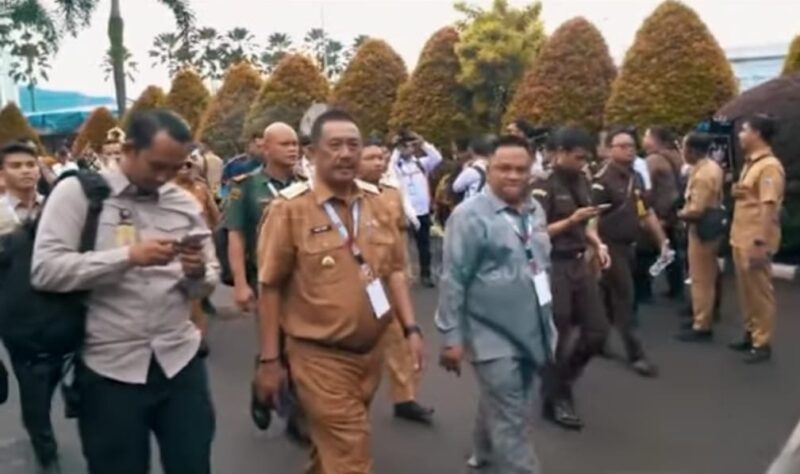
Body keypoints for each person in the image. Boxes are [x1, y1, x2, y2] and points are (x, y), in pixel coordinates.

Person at [30, 109, 219, 474]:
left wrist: (196, 273)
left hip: (180, 363)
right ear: (129, 149)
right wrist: (127, 257)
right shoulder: (79, 195)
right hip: (109, 371)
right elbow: (45, 271)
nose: (165, 177)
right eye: (157, 165)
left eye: (175, 167)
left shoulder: (182, 204)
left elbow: (208, 278)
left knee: (193, 464)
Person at [254, 110, 424, 474]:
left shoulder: (378, 202)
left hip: (370, 354)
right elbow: (269, 287)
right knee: (352, 456)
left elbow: (393, 269)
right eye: (335, 146)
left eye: (353, 145)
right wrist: (270, 361)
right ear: (312, 153)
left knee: (329, 452)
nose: (346, 154)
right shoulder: (289, 210)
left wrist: (411, 328)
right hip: (319, 358)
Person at [437, 135, 556, 473]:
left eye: (521, 169)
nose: (514, 176)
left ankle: (482, 448)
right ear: (488, 169)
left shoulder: (536, 210)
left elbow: (540, 264)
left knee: (509, 398)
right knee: (512, 416)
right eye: (504, 168)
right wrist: (452, 338)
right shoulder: (468, 216)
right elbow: (453, 279)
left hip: (532, 325)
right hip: (488, 331)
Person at [223, 121, 310, 443]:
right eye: (285, 143)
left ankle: (294, 412)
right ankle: (269, 395)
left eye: (295, 144)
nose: (293, 148)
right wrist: (241, 283)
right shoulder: (245, 186)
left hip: (304, 282)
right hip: (268, 282)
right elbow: (236, 236)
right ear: (266, 147)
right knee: (279, 347)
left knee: (302, 349)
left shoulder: (305, 184)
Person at [532, 127, 611, 430]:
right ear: (560, 152)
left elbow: (588, 222)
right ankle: (557, 398)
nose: (582, 163)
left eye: (585, 158)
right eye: (577, 157)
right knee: (558, 333)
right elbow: (536, 233)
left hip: (580, 263)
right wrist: (571, 221)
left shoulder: (582, 181)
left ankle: (560, 382)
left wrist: (597, 243)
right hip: (553, 266)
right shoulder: (542, 187)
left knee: (597, 332)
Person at [359, 141, 434, 425]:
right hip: (360, 281)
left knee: (399, 337)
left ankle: (405, 398)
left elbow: (400, 234)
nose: (378, 162)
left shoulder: (391, 194)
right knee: (363, 345)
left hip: (389, 278)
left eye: (381, 157)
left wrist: (406, 267)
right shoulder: (349, 196)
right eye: (370, 157)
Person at [0, 142, 59, 474]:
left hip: (63, 312)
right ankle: (44, 443)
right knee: (34, 387)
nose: (25, 170)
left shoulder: (56, 208)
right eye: (16, 165)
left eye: (30, 164)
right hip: (19, 320)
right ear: (2, 173)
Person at [593, 128, 669, 378]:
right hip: (608, 246)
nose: (629, 149)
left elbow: (646, 213)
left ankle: (598, 341)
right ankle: (636, 355)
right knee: (625, 298)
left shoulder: (635, 177)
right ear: (610, 149)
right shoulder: (601, 179)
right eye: (622, 145)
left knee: (606, 297)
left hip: (628, 246)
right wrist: (595, 248)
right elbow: (590, 217)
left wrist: (662, 241)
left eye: (631, 145)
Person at [728, 114, 785, 363]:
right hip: (741, 236)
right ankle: (751, 333)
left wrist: (761, 242)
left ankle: (762, 343)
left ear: (757, 134)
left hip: (755, 239)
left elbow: (768, 206)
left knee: (760, 291)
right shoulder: (751, 163)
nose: (740, 135)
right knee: (746, 290)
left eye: (744, 130)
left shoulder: (769, 166)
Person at [675, 132, 724, 342]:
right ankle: (702, 315)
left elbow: (696, 209)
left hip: (702, 230)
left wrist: (676, 215)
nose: (682, 152)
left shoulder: (703, 174)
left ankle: (702, 325)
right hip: (710, 228)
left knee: (701, 278)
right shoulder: (710, 167)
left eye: (684, 148)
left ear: (693, 150)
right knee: (707, 276)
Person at [175, 151, 221, 352]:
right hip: (176, 245)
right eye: (181, 166)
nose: (185, 169)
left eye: (189, 165)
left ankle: (198, 337)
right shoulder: (167, 192)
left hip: (201, 242)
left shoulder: (201, 189)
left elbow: (214, 214)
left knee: (197, 295)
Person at [391, 131, 443, 287]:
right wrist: (397, 149)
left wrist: (422, 143)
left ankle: (425, 274)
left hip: (422, 210)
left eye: (410, 146)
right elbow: (390, 165)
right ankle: (404, 275)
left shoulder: (421, 163)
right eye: (405, 146)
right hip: (404, 211)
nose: (408, 149)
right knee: (403, 245)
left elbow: (437, 158)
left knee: (424, 245)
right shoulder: (396, 165)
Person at [643, 127, 685, 300]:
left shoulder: (653, 160)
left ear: (654, 139)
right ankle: (676, 288)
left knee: (648, 253)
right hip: (675, 211)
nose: (643, 139)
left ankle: (645, 288)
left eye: (646, 136)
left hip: (659, 214)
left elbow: (647, 189)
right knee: (672, 251)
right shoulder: (678, 156)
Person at [220, 133, 263, 200]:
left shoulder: (268, 165)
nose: (262, 150)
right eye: (258, 146)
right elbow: (224, 183)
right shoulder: (235, 163)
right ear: (250, 145)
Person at [451, 136, 491, 201]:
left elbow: (456, 187)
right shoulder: (493, 167)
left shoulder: (473, 170)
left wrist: (465, 169)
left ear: (471, 150)